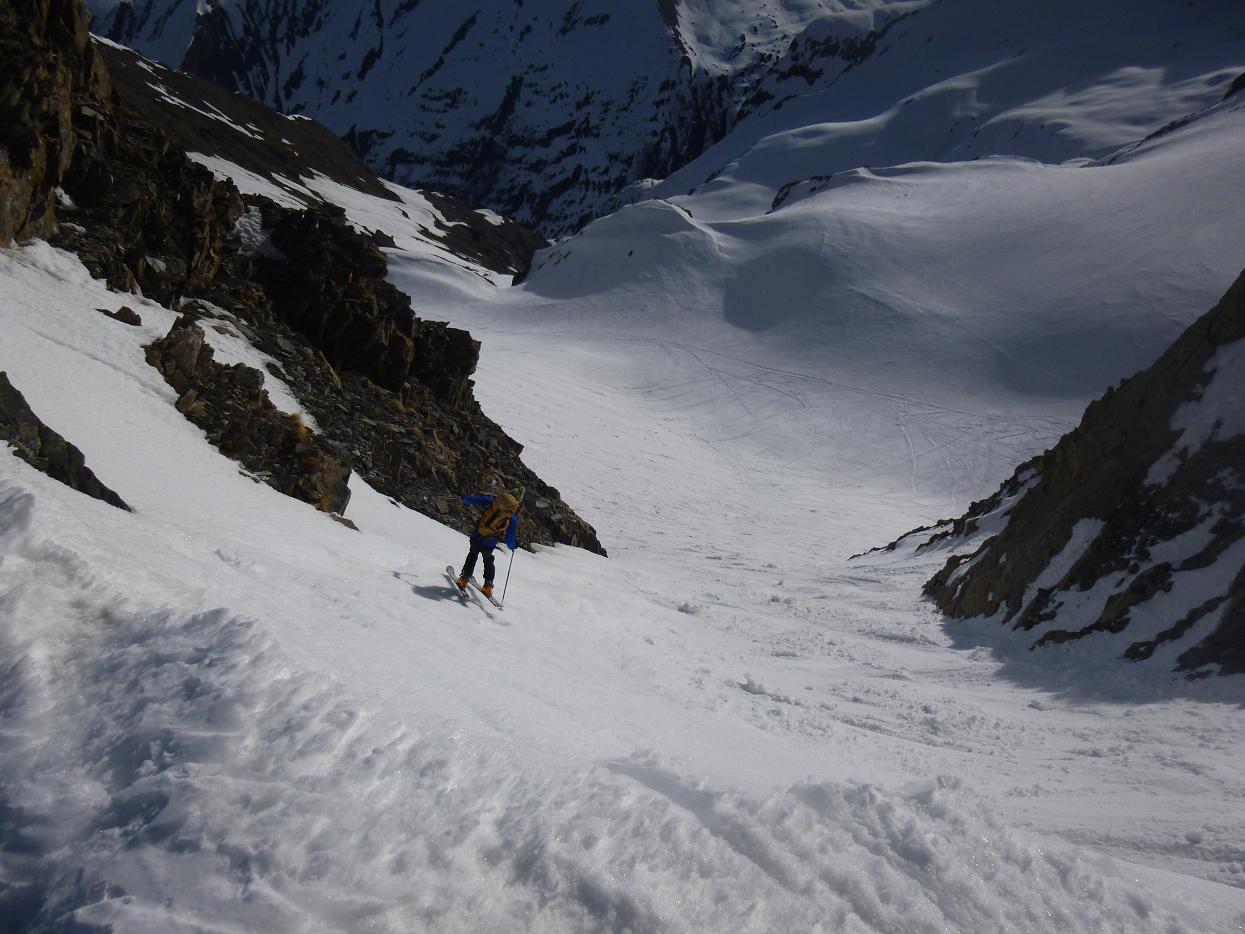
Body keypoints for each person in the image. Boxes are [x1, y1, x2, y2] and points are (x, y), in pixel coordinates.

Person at [457, 490, 522, 597]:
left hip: (477, 536)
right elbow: (510, 540)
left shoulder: (493, 502)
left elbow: (474, 500)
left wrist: (464, 498)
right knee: (488, 560)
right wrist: (513, 546)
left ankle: (464, 579)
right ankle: (488, 585)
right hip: (490, 543)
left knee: (472, 555)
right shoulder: (512, 517)